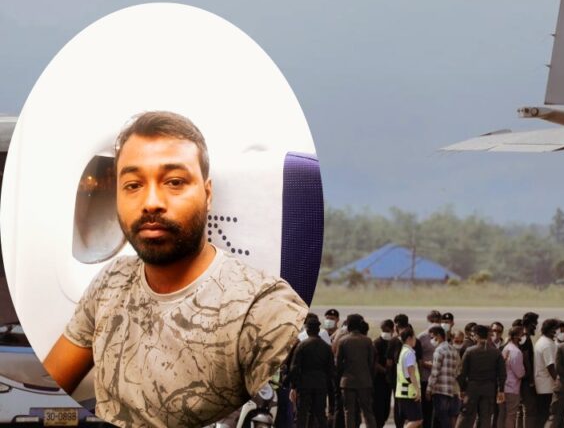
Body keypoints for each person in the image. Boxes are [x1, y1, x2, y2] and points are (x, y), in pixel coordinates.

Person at [43, 111, 306, 427]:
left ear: (207, 195)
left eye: (174, 182)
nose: (151, 202)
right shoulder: (110, 282)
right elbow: (49, 393)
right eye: (133, 184)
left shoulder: (264, 308)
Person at [291, 314, 337, 428]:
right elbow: (331, 369)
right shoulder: (326, 347)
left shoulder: (302, 345)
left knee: (302, 413)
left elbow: (295, 367)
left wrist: (292, 386)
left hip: (304, 384)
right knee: (320, 414)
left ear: (307, 330)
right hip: (321, 384)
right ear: (318, 330)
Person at [458, 324, 507, 428]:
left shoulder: (470, 351)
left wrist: (462, 389)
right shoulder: (496, 352)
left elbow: (462, 373)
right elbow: (502, 374)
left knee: (466, 417)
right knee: (485, 419)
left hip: (472, 388)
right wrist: (501, 390)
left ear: (476, 335)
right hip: (489, 389)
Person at [338, 316, 378, 428]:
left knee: (348, 412)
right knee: (367, 412)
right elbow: (371, 362)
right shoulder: (367, 341)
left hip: (347, 381)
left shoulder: (343, 341)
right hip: (364, 381)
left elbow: (338, 363)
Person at [428, 325, 462, 428]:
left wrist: (428, 389)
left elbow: (435, 372)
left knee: (442, 418)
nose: (431, 340)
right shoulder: (453, 350)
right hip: (452, 390)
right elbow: (458, 370)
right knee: (449, 417)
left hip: (440, 390)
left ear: (438, 336)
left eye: (432, 337)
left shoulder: (439, 351)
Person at [500, 326, 528, 428]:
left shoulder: (506, 348)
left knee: (502, 415)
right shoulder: (516, 352)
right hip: (512, 388)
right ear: (517, 337)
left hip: (503, 387)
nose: (524, 337)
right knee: (511, 415)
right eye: (522, 334)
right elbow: (520, 373)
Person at [535, 319, 561, 428]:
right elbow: (550, 366)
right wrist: (558, 381)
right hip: (547, 387)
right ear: (551, 330)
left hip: (544, 385)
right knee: (546, 416)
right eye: (557, 329)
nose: (558, 331)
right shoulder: (547, 344)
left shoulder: (545, 341)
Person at [397, 328, 425, 428]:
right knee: (417, 420)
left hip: (403, 391)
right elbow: (411, 373)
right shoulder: (409, 353)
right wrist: (417, 390)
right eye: (414, 337)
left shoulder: (403, 351)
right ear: (409, 338)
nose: (415, 340)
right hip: (410, 392)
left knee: (413, 420)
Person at [421, 310, 443, 428]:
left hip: (441, 380)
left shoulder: (445, 335)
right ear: (428, 321)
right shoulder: (422, 337)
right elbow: (418, 359)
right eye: (432, 321)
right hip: (426, 378)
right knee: (427, 411)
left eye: (437, 321)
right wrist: (429, 365)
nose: (435, 323)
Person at [373, 320, 396, 428]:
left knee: (387, 407)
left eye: (387, 330)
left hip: (391, 380)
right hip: (379, 380)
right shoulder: (377, 343)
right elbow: (374, 362)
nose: (385, 332)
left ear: (392, 330)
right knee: (379, 407)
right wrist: (385, 371)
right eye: (383, 330)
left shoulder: (395, 343)